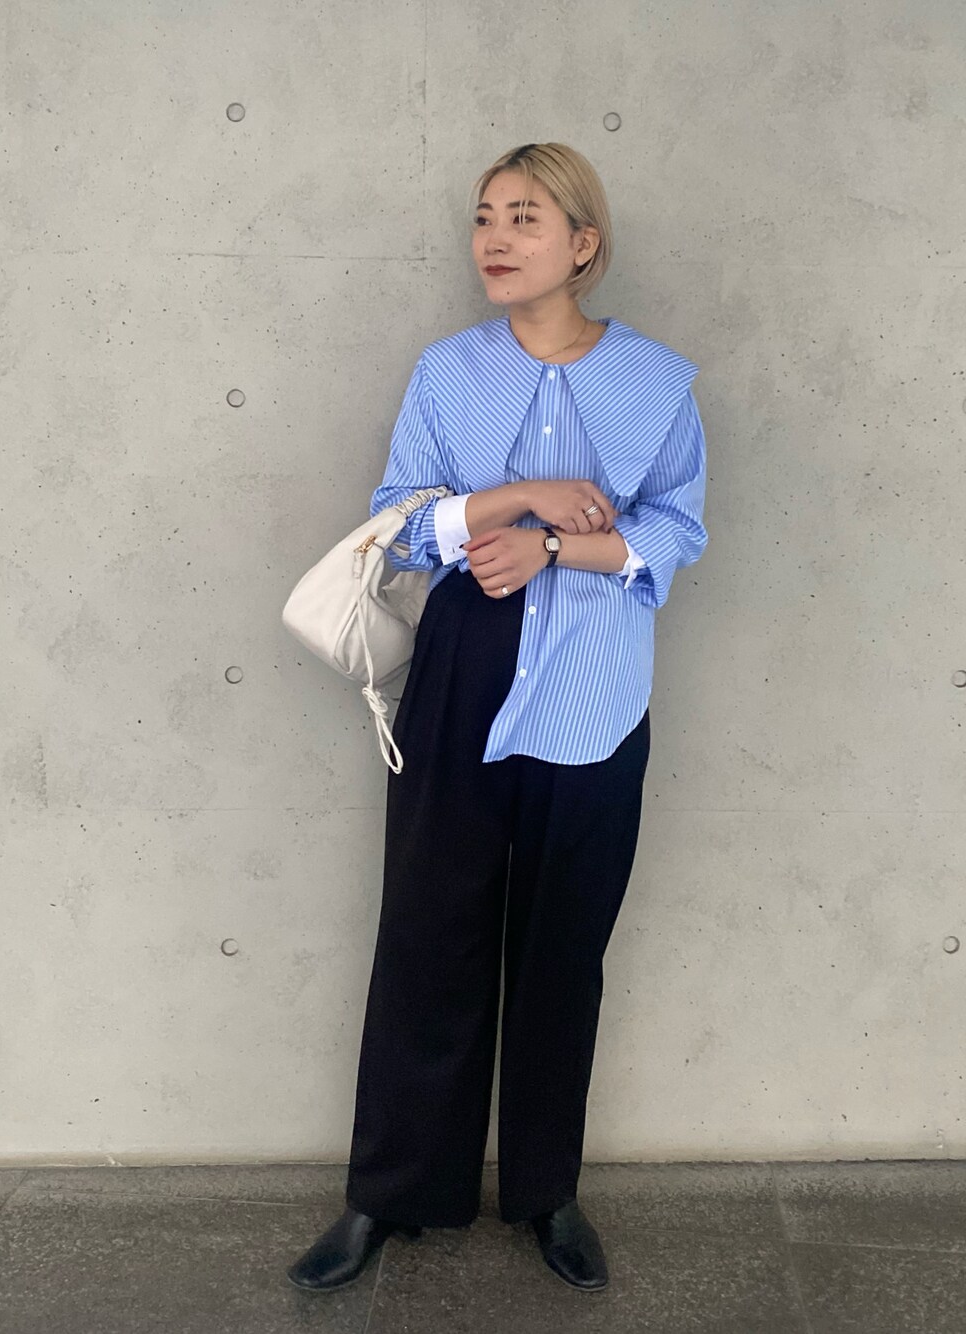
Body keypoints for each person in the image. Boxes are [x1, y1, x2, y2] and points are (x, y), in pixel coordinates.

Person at [287, 142, 708, 1294]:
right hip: (464, 664)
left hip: (596, 678)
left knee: (564, 946)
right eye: (483, 216)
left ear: (582, 243)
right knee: (428, 930)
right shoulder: (447, 372)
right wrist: (515, 499)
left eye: (524, 215)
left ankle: (546, 1191)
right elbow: (398, 522)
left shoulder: (657, 381)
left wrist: (553, 548)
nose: (494, 237)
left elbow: (675, 532)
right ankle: (389, 1192)